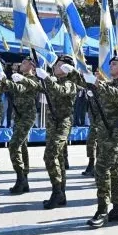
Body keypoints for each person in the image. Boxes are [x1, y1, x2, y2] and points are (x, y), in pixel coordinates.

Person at [82, 54, 118, 227]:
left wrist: (98, 84)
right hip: (104, 131)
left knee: (102, 168)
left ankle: (102, 210)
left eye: (114, 64)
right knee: (113, 169)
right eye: (110, 63)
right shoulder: (107, 84)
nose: (110, 66)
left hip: (117, 131)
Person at [38, 55, 80, 208]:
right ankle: (60, 193)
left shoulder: (70, 83)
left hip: (63, 123)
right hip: (52, 123)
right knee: (59, 159)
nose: (55, 67)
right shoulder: (53, 81)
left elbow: (60, 91)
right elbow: (36, 86)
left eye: (59, 65)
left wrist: (47, 79)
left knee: (50, 155)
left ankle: (57, 192)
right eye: (56, 64)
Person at [1, 58, 41, 194]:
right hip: (18, 115)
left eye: (24, 63)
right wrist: (3, 77)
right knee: (22, 147)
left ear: (32, 66)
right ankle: (24, 180)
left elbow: (20, 88)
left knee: (14, 145)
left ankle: (20, 178)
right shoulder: (19, 78)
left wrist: (15, 80)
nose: (21, 65)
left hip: (27, 116)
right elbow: (6, 87)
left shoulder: (33, 80)